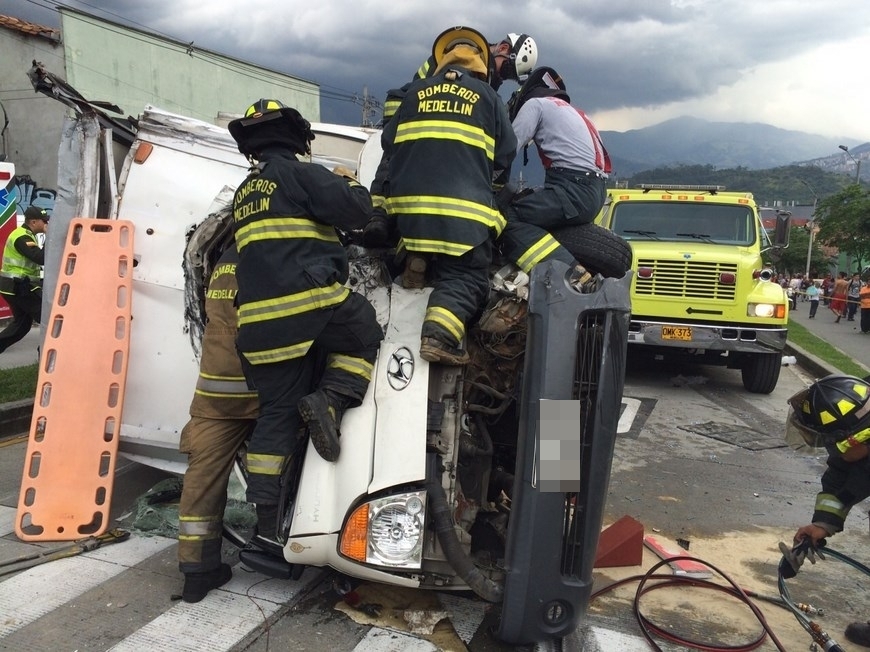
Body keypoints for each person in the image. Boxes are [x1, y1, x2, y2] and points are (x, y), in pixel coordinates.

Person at [227, 99, 384, 541]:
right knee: (363, 330)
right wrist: (348, 181)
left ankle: (266, 527)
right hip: (307, 306)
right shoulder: (300, 174)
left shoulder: (244, 194)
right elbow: (357, 211)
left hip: (256, 328)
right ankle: (331, 399)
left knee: (275, 416)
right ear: (295, 138)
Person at [381, 26, 517, 365]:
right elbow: (506, 153)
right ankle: (438, 337)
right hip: (461, 217)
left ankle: (419, 258)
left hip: (410, 215)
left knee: (427, 239)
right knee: (467, 277)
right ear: (482, 64)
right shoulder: (487, 97)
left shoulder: (414, 92)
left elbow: (388, 142)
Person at [364, 31, 537, 247]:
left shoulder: (487, 76)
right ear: (503, 49)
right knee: (395, 157)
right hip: (413, 114)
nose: (503, 77)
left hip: (436, 119)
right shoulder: (457, 53)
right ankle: (378, 215)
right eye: (507, 70)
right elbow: (411, 94)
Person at [177, 244, 257, 602]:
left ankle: (197, 574)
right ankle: (276, 546)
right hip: (262, 388)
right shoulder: (278, 251)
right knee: (277, 466)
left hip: (214, 393)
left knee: (202, 481)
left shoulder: (223, 258)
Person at [496, 66, 611, 283]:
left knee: (505, 216)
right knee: (530, 207)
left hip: (572, 190)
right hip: (596, 192)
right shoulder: (577, 113)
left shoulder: (535, 104)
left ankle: (571, 274)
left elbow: (506, 152)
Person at [783, 374, 870, 648]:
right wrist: (822, 524)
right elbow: (841, 476)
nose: (833, 451)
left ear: (855, 440)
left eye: (835, 444)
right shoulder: (861, 416)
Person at [0, 206, 49, 354]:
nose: (47, 223)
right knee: (48, 318)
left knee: (21, 326)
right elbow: (40, 258)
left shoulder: (27, 235)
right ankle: (46, 353)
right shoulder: (22, 237)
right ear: (33, 222)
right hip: (18, 287)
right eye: (44, 221)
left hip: (14, 286)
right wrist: (50, 236)